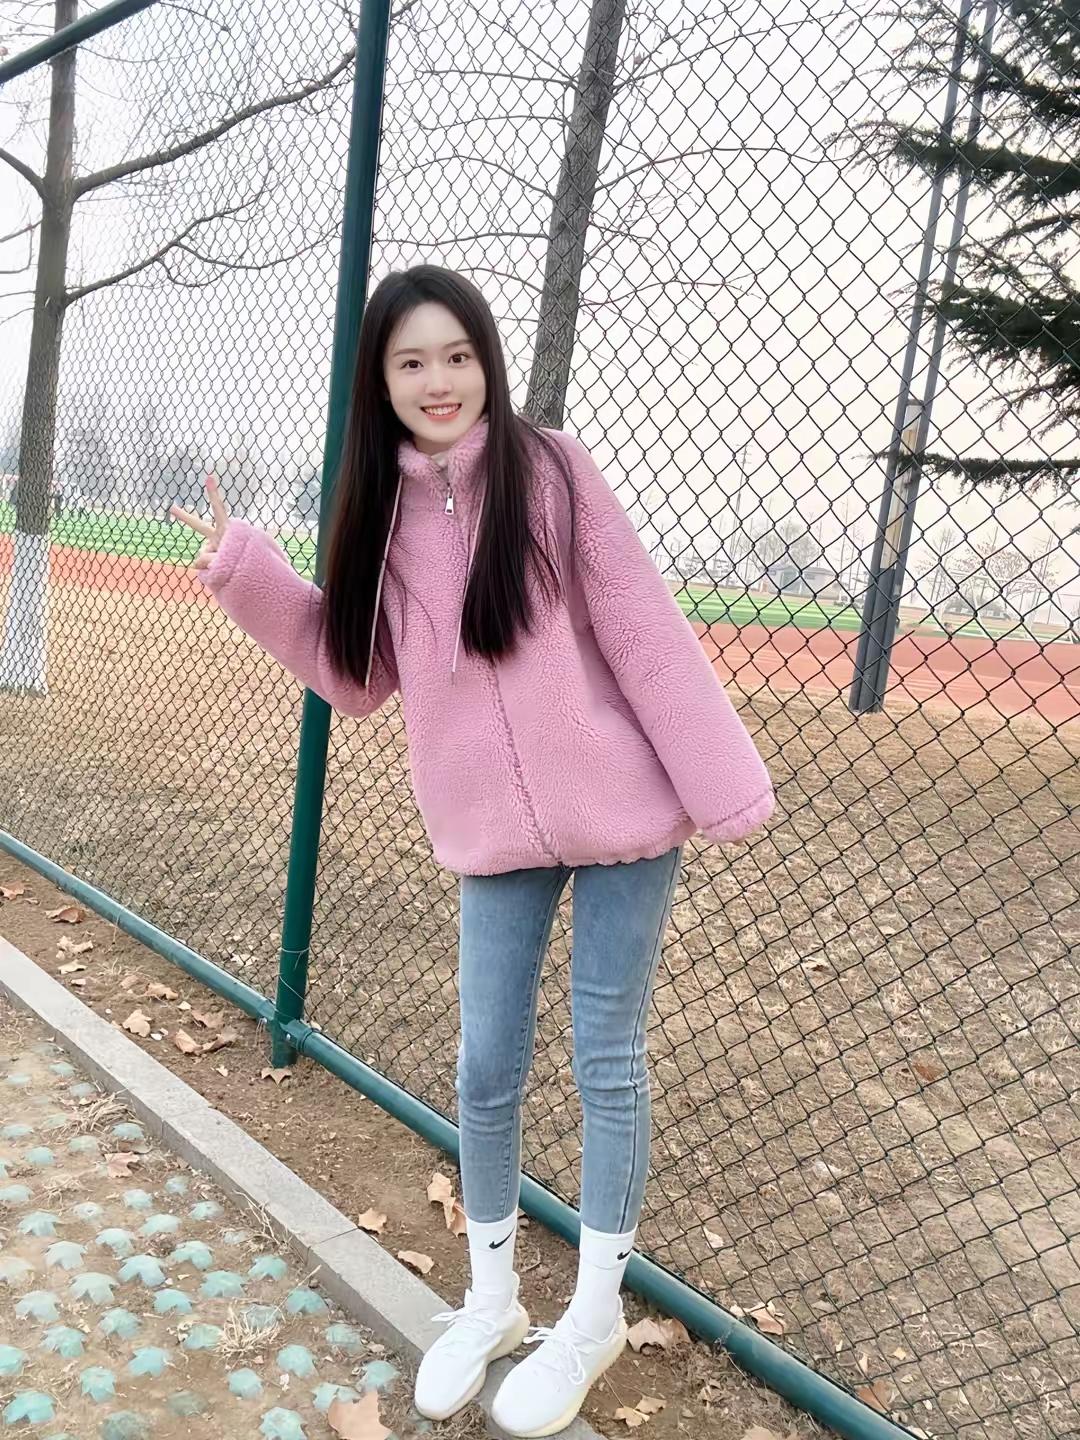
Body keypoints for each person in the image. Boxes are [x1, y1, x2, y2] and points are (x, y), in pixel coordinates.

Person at [171, 265, 774, 1438]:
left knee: (607, 1057)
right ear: (382, 380)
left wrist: (723, 781)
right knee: (486, 1065)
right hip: (492, 835)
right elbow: (356, 674)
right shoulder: (379, 513)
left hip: (625, 817)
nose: (438, 379)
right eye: (412, 361)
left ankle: (590, 1319)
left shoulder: (554, 473)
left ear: (486, 361)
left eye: (457, 355)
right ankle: (493, 1302)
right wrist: (247, 570)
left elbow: (641, 626)